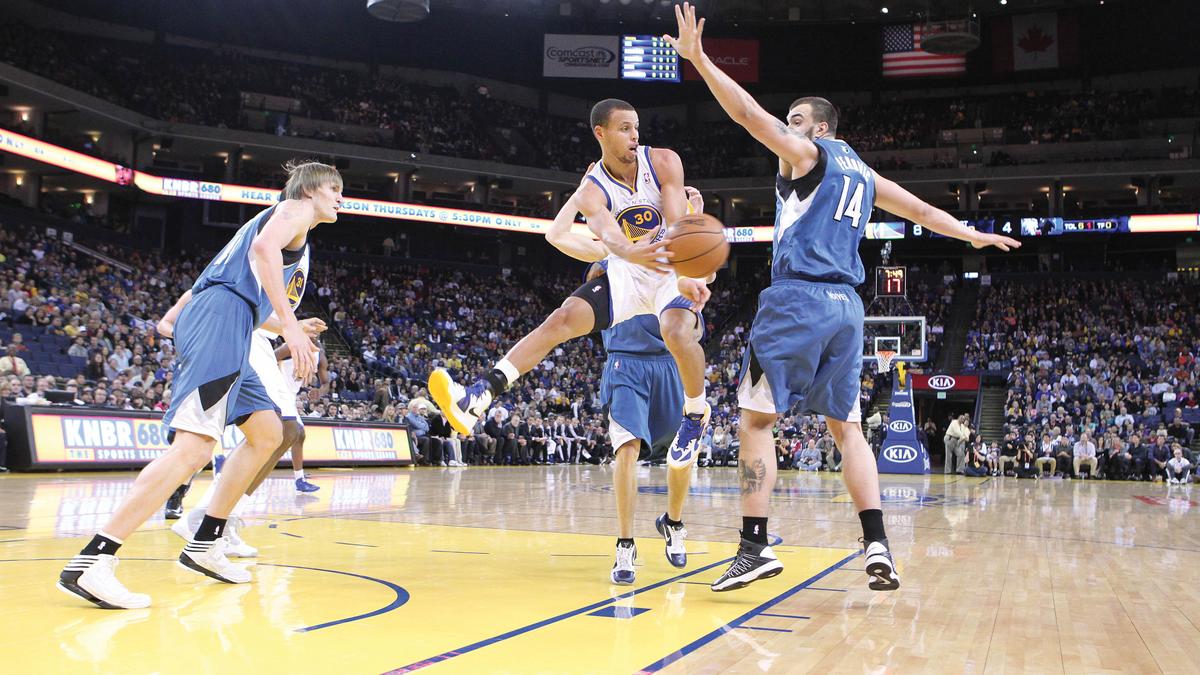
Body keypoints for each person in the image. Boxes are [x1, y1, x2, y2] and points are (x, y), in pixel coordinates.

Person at [665, 2, 1019, 593]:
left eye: (796, 119)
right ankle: (877, 542)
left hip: (798, 299)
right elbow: (925, 212)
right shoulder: (866, 174)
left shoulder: (809, 155)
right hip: (848, 311)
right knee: (846, 430)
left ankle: (753, 546)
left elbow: (749, 115)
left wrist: (700, 60)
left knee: (754, 421)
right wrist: (973, 233)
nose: (787, 125)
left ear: (820, 129)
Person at [58, 160, 341, 609]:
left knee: (267, 433)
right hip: (221, 322)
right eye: (333, 188)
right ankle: (94, 560)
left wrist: (286, 323)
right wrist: (287, 326)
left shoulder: (276, 220)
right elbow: (266, 253)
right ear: (310, 191)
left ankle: (205, 541)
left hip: (234, 319)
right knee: (193, 449)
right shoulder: (294, 210)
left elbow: (232, 281)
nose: (339, 197)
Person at [430, 98, 715, 473]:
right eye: (624, 128)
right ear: (601, 133)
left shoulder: (663, 161)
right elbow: (610, 238)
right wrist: (631, 253)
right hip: (627, 272)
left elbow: (678, 223)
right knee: (561, 319)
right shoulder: (590, 189)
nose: (634, 135)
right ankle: (479, 396)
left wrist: (685, 272)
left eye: (636, 128)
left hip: (665, 269)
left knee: (675, 330)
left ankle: (695, 414)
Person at [527, 176, 707, 584]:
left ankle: (673, 522)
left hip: (670, 364)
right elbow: (555, 233)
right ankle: (625, 544)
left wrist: (693, 215)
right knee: (625, 448)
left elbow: (703, 272)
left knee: (680, 456)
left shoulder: (673, 249)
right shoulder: (609, 250)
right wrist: (583, 188)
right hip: (625, 362)